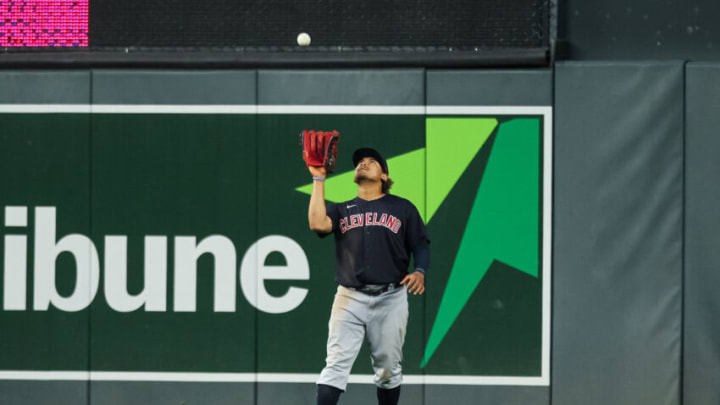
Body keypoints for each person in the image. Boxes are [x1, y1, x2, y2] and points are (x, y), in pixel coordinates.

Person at [307, 147, 430, 405]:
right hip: (349, 296)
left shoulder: (402, 208)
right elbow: (318, 224)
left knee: (388, 371)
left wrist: (420, 270)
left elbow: (420, 244)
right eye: (359, 162)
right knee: (335, 365)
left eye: (371, 161)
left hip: (391, 296)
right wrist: (318, 178)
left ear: (384, 175)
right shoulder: (342, 209)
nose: (362, 164)